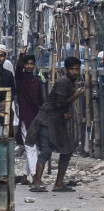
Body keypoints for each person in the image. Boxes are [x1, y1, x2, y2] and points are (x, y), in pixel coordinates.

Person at [26, 56, 84, 193]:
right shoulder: (63, 81)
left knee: (67, 150)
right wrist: (76, 96)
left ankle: (59, 183)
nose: (75, 72)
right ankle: (37, 182)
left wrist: (67, 113)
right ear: (66, 70)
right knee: (46, 151)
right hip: (47, 119)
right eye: (72, 69)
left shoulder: (70, 82)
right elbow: (58, 103)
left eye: (77, 69)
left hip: (57, 121)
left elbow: (62, 104)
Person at [15, 49, 44, 185]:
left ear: (34, 65)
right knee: (30, 147)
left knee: (33, 148)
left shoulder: (37, 81)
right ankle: (35, 176)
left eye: (31, 64)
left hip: (36, 117)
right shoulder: (20, 79)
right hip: (25, 117)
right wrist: (21, 55)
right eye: (27, 64)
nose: (29, 66)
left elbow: (41, 100)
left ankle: (25, 175)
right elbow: (18, 68)